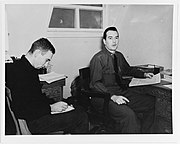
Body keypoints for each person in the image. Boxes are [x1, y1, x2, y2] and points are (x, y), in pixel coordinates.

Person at [5, 38, 89, 134]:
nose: (46, 65)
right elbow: (22, 110)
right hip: (33, 122)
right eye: (46, 60)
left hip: (38, 114)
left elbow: (36, 98)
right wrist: (51, 108)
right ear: (36, 53)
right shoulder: (19, 73)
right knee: (81, 116)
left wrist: (56, 103)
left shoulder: (25, 68)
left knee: (77, 108)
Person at [89, 26, 155, 133]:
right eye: (110, 38)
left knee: (150, 102)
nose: (114, 41)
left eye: (116, 37)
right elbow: (95, 84)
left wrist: (143, 74)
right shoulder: (98, 58)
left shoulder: (118, 56)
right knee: (128, 115)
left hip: (120, 92)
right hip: (103, 97)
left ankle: (144, 136)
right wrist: (113, 97)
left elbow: (128, 70)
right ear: (104, 41)